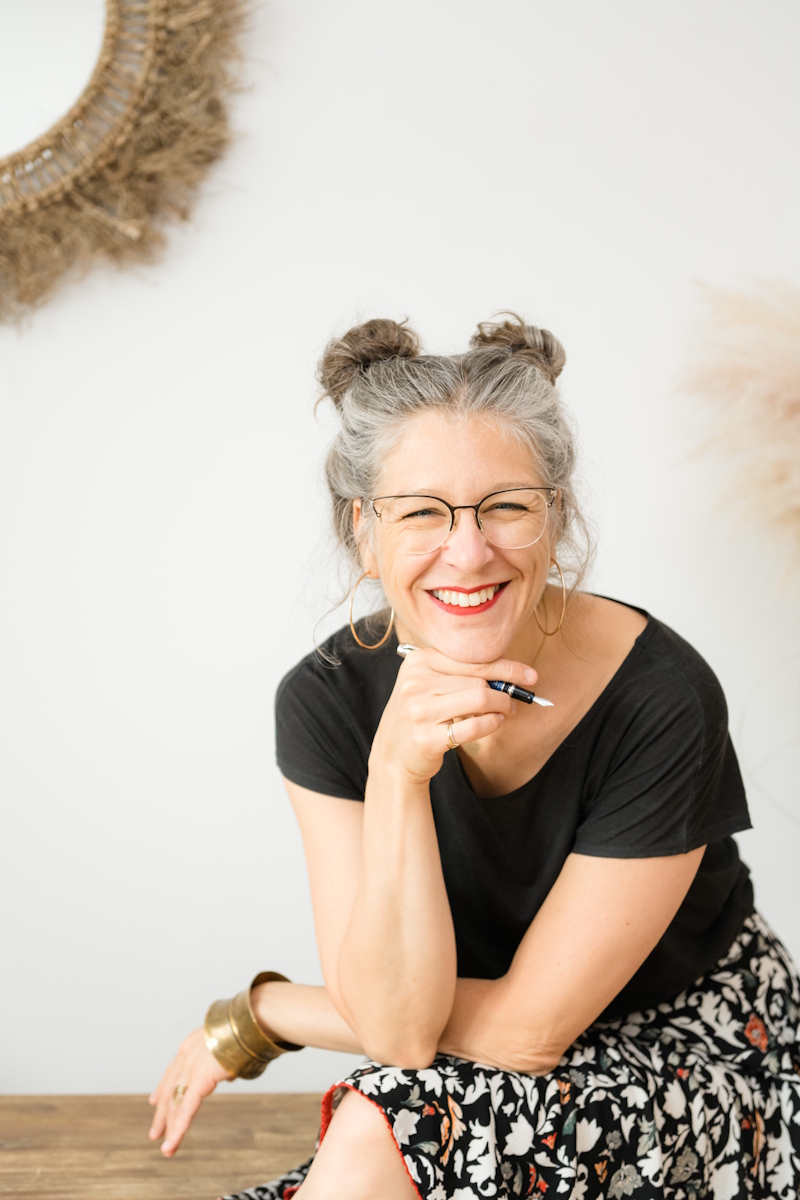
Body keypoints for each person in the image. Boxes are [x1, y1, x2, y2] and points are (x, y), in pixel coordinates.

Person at [149, 315, 800, 1200]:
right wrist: (395, 772)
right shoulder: (323, 701)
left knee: (380, 1120)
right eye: (422, 511)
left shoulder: (663, 698)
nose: (467, 551)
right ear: (364, 530)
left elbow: (523, 1035)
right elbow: (399, 1032)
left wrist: (269, 1011)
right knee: (386, 1121)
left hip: (699, 1053)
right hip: (469, 1060)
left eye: (507, 506)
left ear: (554, 516)